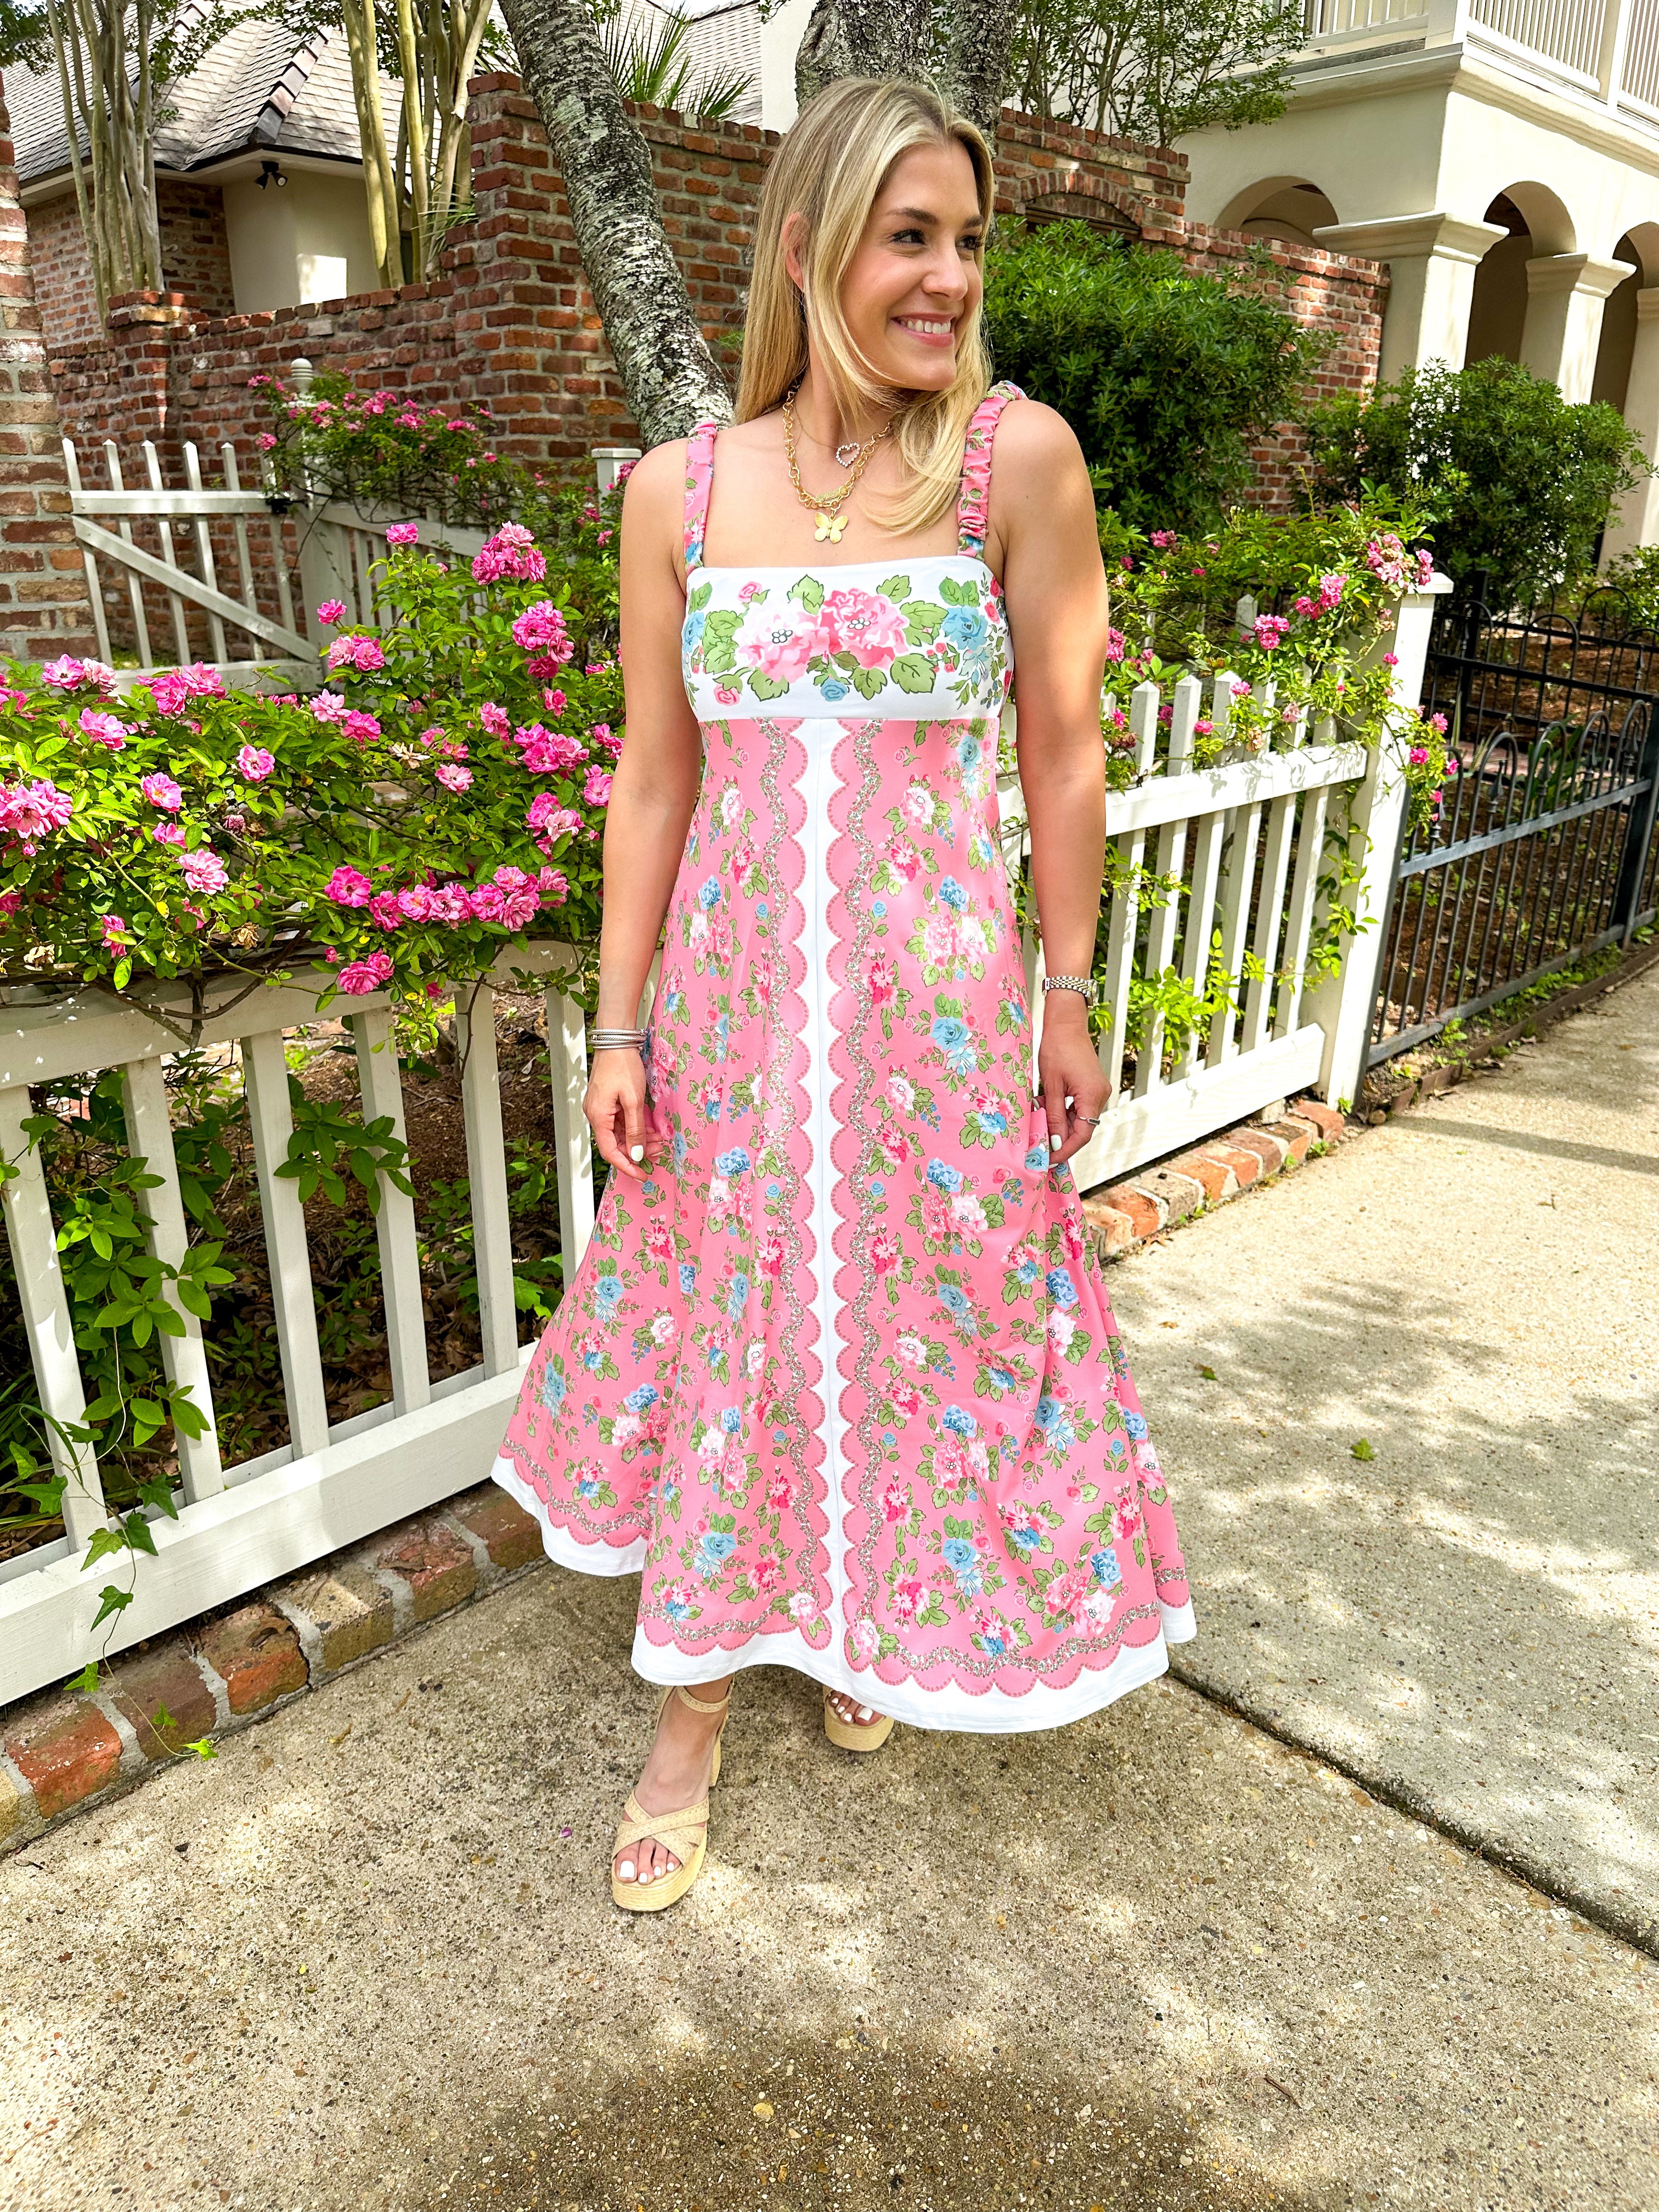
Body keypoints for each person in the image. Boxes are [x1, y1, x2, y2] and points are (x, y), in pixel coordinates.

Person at [492, 73, 1194, 1911]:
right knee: (741, 1328)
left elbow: (1064, 748)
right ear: (808, 249)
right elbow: (655, 778)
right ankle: (692, 1718)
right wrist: (620, 1023)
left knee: (924, 1323)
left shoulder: (1016, 463)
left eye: (969, 240)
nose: (950, 275)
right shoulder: (678, 489)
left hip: (934, 1016)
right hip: (731, 1025)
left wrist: (1065, 990)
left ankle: (863, 1618)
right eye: (911, 236)